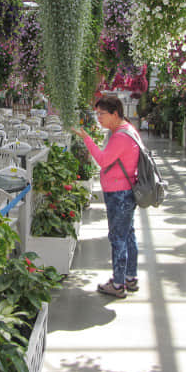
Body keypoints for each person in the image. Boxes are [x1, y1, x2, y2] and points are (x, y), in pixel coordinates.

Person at [72, 96, 140, 299]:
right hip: (127, 190)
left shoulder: (120, 137)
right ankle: (130, 277)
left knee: (118, 237)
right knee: (128, 234)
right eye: (97, 114)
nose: (98, 118)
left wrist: (86, 137)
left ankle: (118, 284)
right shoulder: (129, 130)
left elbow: (102, 160)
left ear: (115, 114)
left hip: (119, 193)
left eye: (102, 114)